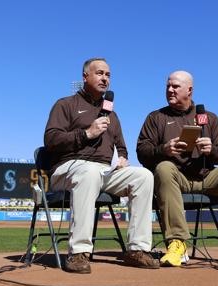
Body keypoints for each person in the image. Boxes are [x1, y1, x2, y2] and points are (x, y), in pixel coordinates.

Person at [136, 70, 218, 267]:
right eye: (168, 86)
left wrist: (212, 150)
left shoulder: (208, 118)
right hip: (175, 179)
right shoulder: (156, 117)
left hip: (207, 179)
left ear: (189, 90)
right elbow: (142, 152)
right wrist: (163, 149)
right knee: (164, 167)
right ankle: (177, 243)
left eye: (175, 86)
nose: (170, 90)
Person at [44, 57, 159, 273]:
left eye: (108, 75)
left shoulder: (112, 115)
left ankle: (137, 250)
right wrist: (86, 133)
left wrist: (123, 160)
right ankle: (79, 253)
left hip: (105, 172)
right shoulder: (65, 104)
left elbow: (122, 148)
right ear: (85, 76)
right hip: (68, 168)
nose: (105, 78)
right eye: (99, 73)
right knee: (88, 171)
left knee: (143, 176)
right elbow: (50, 140)